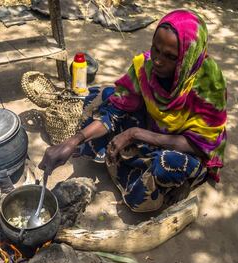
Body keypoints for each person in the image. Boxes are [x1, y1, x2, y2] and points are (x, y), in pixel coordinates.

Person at [39, 9, 227, 212]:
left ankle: (182, 180)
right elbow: (115, 111)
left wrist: (134, 133)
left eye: (170, 56)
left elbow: (201, 144)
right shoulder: (146, 67)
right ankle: (133, 163)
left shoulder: (209, 84)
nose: (157, 60)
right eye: (155, 49)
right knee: (101, 96)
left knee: (164, 169)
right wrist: (72, 141)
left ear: (188, 57)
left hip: (186, 146)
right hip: (152, 128)